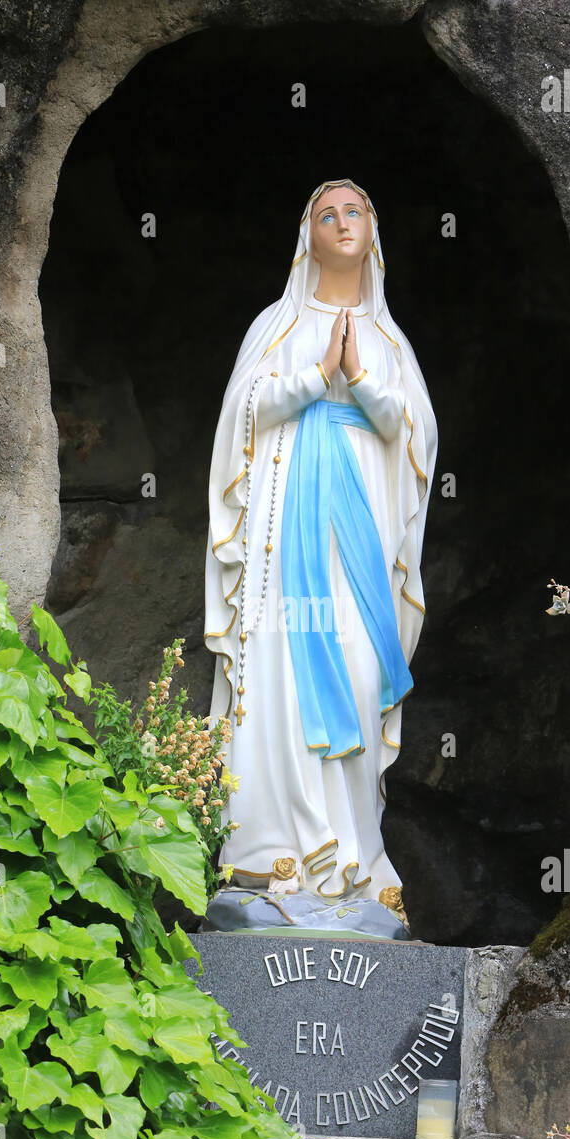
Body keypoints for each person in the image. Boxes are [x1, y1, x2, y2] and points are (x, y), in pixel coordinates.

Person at [204, 179, 437, 917]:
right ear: (307, 235)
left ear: (375, 229)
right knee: (280, 674)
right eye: (326, 213)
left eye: (355, 210)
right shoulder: (275, 323)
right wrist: (314, 378)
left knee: (363, 674)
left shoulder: (392, 341)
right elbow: (239, 416)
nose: (342, 221)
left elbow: (418, 440)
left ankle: (357, 857)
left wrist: (362, 380)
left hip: (359, 537)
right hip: (283, 534)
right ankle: (272, 856)